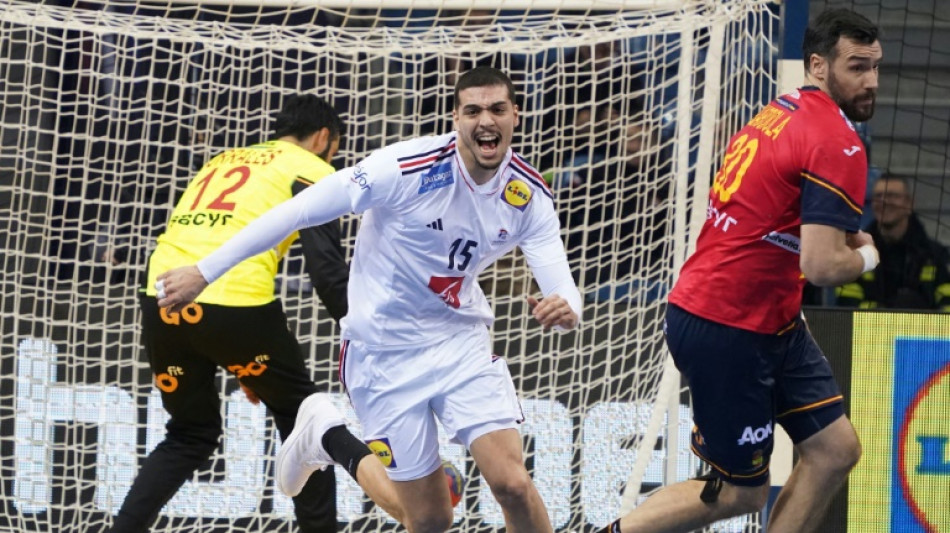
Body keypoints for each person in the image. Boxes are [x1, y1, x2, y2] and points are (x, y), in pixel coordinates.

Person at [153, 66, 582, 533]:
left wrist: (566, 308)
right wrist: (205, 270)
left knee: (513, 485)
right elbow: (299, 209)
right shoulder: (402, 167)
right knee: (430, 519)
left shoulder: (528, 196)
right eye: (473, 110)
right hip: (383, 354)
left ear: (515, 115)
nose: (486, 121)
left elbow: (560, 285)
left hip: (460, 342)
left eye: (497, 109)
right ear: (455, 117)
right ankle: (329, 435)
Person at [600, 9, 882, 533]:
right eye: (857, 67)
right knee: (740, 491)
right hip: (730, 325)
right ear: (817, 65)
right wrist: (867, 255)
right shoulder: (838, 140)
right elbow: (821, 266)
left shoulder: (781, 109)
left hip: (767, 316)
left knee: (835, 450)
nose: (871, 82)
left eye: (875, 67)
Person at [110, 94, 352, 533]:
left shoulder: (223, 158)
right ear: (323, 139)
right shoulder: (312, 167)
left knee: (189, 433)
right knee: (308, 424)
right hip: (232, 299)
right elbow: (327, 271)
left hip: (160, 294)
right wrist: (362, 328)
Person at [836, 174, 950, 310]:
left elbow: (947, 307)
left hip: (923, 331)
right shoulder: (856, 253)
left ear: (909, 204)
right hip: (869, 330)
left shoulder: (935, 255)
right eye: (878, 196)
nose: (884, 201)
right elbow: (846, 308)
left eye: (892, 196)